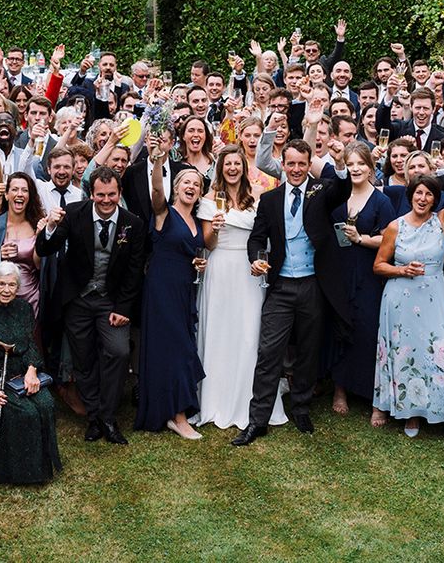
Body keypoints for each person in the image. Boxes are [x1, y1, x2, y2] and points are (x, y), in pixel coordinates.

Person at [233, 139, 352, 446]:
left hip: (313, 284)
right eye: (291, 164)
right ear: (283, 165)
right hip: (281, 286)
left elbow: (343, 191)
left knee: (308, 351)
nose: (296, 169)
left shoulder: (322, 190)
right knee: (269, 352)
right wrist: (256, 259)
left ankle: (301, 408)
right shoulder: (270, 199)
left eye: (302, 164)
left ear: (309, 164)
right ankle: (258, 420)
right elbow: (257, 238)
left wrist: (340, 163)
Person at [36, 166, 146, 445]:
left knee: (119, 352)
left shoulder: (133, 223)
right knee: (83, 360)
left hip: (111, 301)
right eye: (100, 195)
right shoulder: (74, 213)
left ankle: (107, 416)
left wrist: (123, 309)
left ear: (120, 193)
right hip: (78, 299)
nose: (106, 200)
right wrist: (50, 226)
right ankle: (95, 417)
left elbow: (134, 271)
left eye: (111, 194)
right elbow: (46, 249)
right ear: (91, 194)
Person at [372, 163, 444, 445]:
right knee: (407, 352)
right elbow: (379, 265)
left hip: (433, 298)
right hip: (400, 299)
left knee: (442, 351)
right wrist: (401, 270)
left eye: (428, 194)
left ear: (435, 199)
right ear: (411, 196)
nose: (422, 198)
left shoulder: (442, 220)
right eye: (418, 193)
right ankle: (411, 413)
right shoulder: (395, 227)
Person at [194, 145, 287, 430]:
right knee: (220, 331)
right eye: (228, 164)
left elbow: (265, 234)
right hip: (220, 267)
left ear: (244, 168)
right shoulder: (209, 199)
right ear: (220, 168)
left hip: (249, 270)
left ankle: (252, 400)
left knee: (250, 333)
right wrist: (215, 230)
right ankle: (217, 401)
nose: (232, 168)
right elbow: (208, 243)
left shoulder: (257, 196)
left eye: (237, 164)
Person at [0, 262, 62, 485]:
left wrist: (32, 370)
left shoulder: (24, 308)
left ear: (18, 287)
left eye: (12, 285)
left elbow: (31, 344)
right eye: (2, 284)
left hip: (21, 372)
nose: (7, 290)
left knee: (46, 403)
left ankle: (41, 468)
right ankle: (19, 473)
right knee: (27, 412)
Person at [135, 147, 207, 438]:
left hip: (185, 288)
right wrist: (157, 161)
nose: (191, 187)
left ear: (200, 192)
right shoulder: (164, 213)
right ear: (176, 188)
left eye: (196, 184)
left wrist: (197, 262)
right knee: (178, 349)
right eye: (186, 182)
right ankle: (179, 417)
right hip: (161, 289)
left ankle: (169, 411)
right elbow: (155, 191)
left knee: (178, 347)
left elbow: (192, 249)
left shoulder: (197, 221)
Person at [328, 143, 395, 425]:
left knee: (370, 330)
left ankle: (376, 399)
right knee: (341, 328)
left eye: (360, 164)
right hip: (340, 270)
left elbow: (390, 240)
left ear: (370, 167)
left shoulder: (381, 201)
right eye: (350, 164)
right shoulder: (338, 194)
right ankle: (340, 389)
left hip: (368, 272)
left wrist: (361, 239)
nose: (355, 169)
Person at [0, 172, 44, 318]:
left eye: (24, 190)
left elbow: (40, 266)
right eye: (14, 189)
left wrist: (40, 238)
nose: (20, 194)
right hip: (1, 296)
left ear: (30, 196)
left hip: (31, 295)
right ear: (6, 195)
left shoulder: (38, 225)